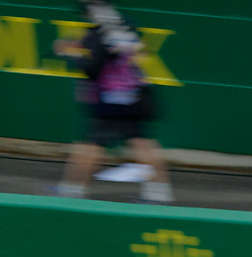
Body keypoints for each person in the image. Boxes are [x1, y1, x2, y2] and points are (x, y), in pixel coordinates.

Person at [54, 2, 172, 203]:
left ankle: (72, 190)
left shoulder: (97, 35)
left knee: (91, 144)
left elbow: (92, 68)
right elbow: (119, 52)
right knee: (141, 142)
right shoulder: (126, 26)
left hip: (110, 100)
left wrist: (69, 53)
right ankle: (159, 190)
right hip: (134, 96)